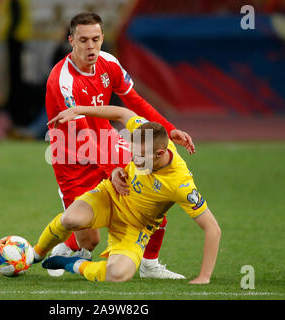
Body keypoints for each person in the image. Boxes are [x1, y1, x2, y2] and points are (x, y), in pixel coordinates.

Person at [45, 12, 195, 279]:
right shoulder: (63, 80)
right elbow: (82, 136)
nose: (90, 46)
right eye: (83, 40)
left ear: (102, 38)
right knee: (89, 240)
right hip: (72, 156)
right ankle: (66, 248)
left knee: (151, 193)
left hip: (108, 142)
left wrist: (169, 130)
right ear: (71, 41)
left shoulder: (109, 63)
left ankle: (150, 264)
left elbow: (135, 102)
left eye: (95, 39)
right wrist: (113, 168)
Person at [31, 105, 221, 284]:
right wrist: (79, 110)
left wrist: (204, 276)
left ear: (160, 153)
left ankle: (70, 264)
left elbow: (213, 228)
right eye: (133, 153)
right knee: (71, 219)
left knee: (118, 275)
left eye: (140, 156)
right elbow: (123, 113)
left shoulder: (180, 184)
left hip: (134, 227)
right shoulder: (145, 135)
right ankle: (34, 255)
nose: (134, 159)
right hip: (111, 196)